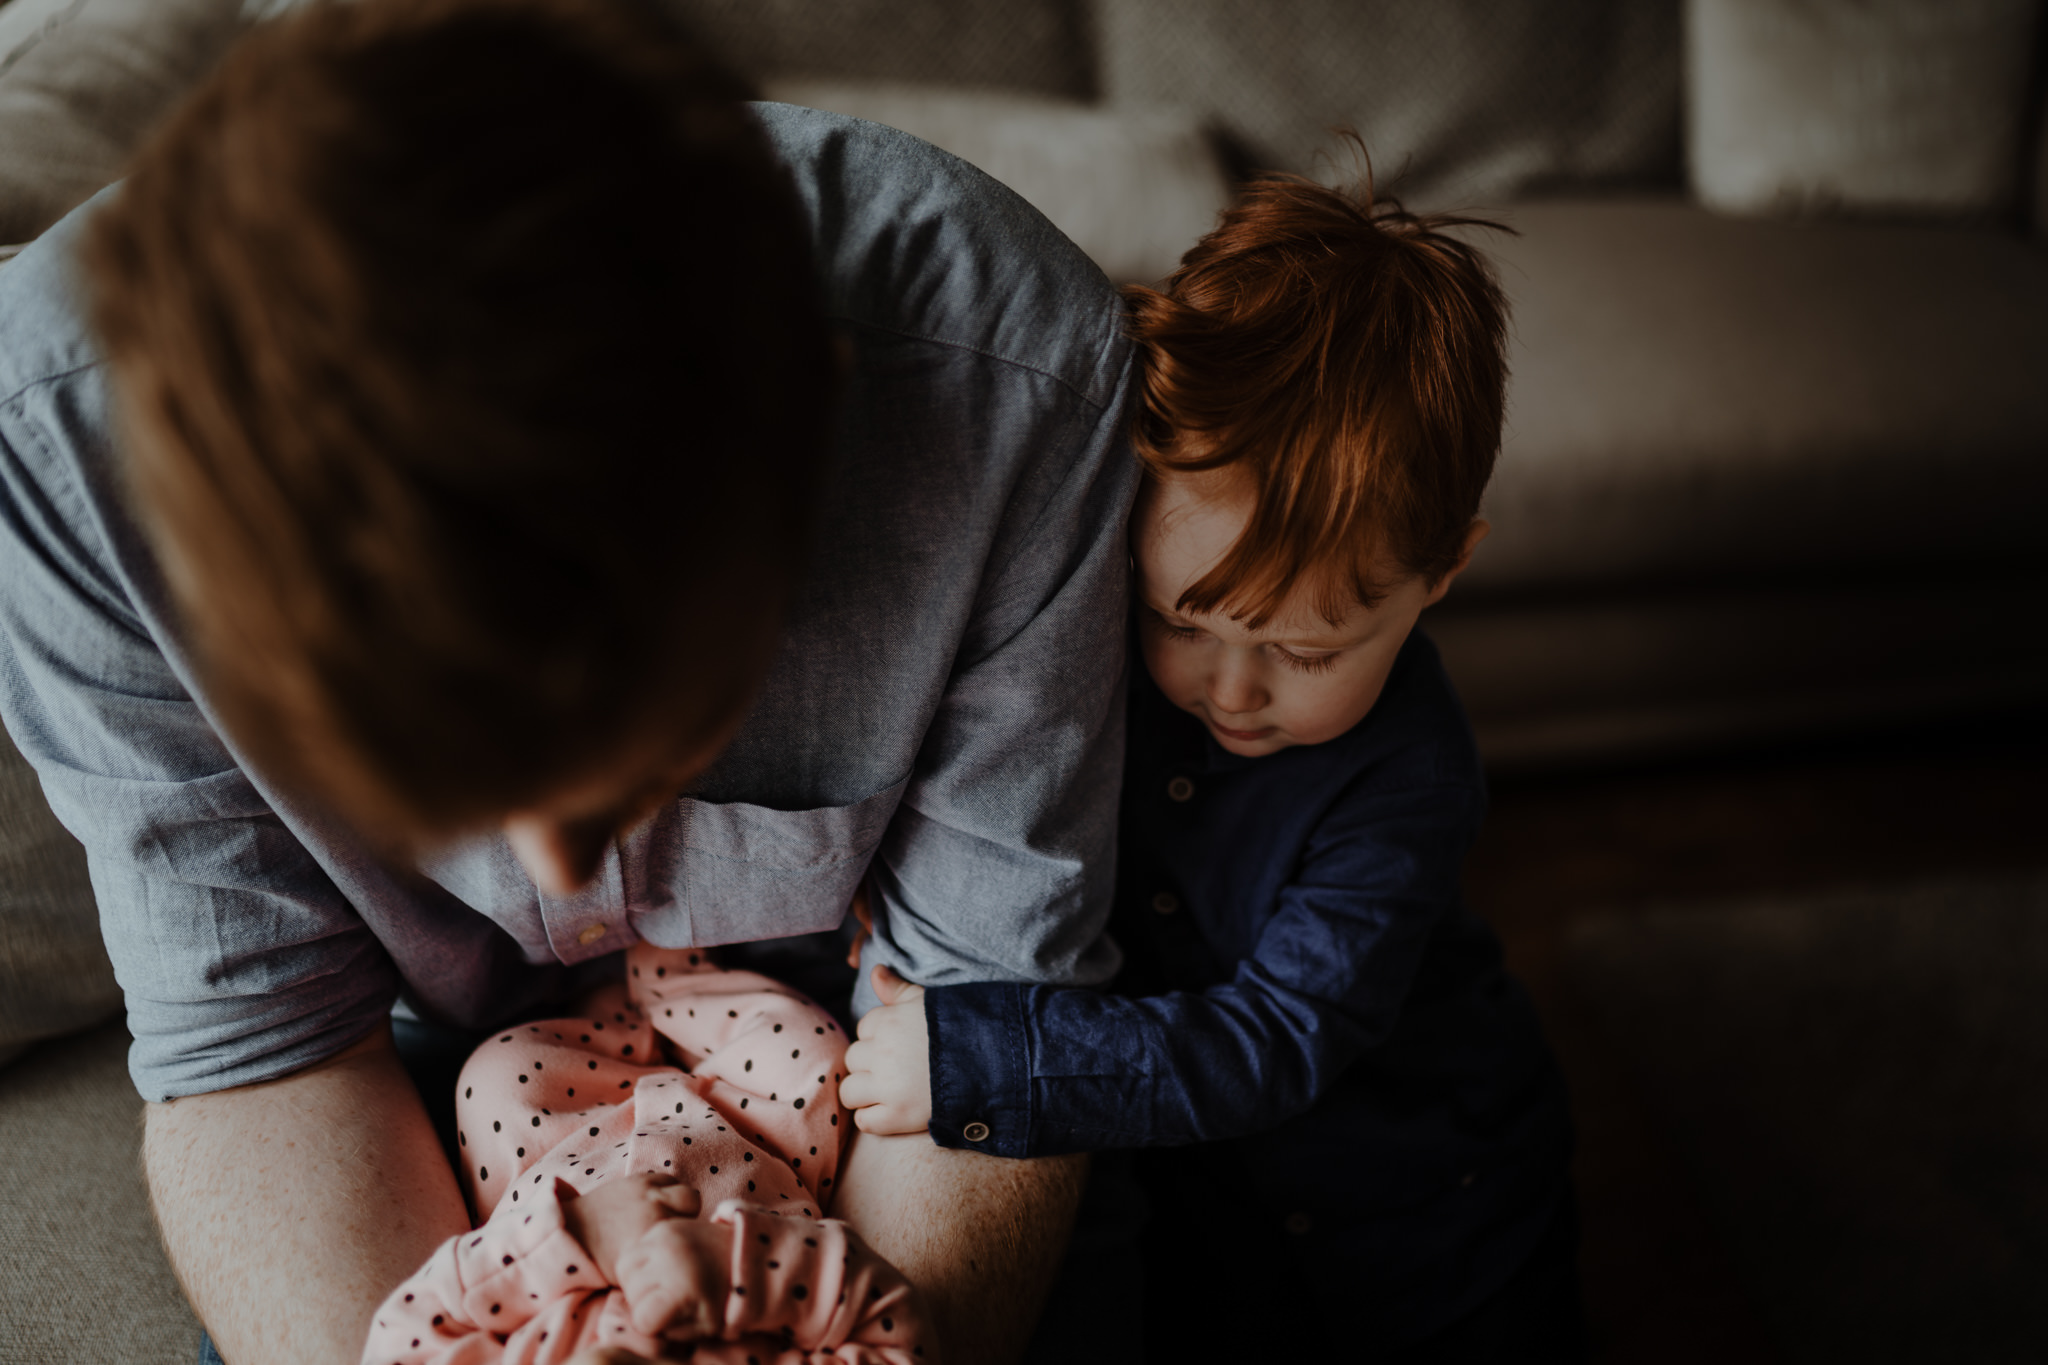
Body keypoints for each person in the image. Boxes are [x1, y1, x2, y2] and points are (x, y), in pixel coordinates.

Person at [0, 0, 1137, 1360]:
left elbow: (982, 1002)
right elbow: (264, 1034)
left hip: (864, 1039)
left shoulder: (1021, 383)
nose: (551, 858)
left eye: (651, 759)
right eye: (436, 790)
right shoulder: (55, 455)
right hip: (393, 1057)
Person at [840, 171, 1586, 1358]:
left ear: (1442, 571)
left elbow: (1275, 1039)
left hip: (1418, 1215)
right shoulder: (1075, 638)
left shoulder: (1410, 783)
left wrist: (991, 1061)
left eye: (1304, 650)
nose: (1229, 690)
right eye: (1181, 621)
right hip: (1195, 1205)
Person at [361, 943, 935, 1365]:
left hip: (552, 1159)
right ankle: (669, 969)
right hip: (763, 1146)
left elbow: (408, 1329)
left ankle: (596, 987)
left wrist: (575, 1238)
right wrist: (737, 1269)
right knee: (809, 1053)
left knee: (495, 1078)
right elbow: (895, 1332)